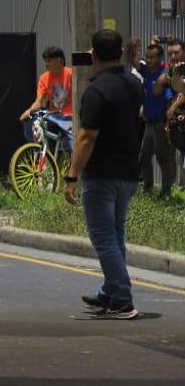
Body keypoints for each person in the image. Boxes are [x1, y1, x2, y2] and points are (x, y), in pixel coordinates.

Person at [63, 29, 143, 319]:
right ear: (121, 52)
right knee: (115, 233)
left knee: (103, 238)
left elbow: (87, 137)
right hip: (128, 173)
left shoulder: (96, 91)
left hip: (101, 175)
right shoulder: (135, 84)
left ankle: (121, 298)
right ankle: (109, 291)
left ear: (93, 54)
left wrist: (72, 176)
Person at [137, 43, 176, 197]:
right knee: (144, 156)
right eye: (147, 57)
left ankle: (166, 190)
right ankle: (147, 187)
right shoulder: (147, 71)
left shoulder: (163, 76)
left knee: (162, 157)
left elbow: (168, 99)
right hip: (148, 123)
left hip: (160, 123)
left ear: (160, 59)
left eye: (152, 57)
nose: (149, 60)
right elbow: (134, 62)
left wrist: (167, 124)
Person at [19, 46, 74, 153]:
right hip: (54, 117)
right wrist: (29, 111)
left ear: (60, 60)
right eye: (45, 61)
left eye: (49, 61)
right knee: (36, 126)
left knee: (72, 148)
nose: (46, 64)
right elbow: (38, 102)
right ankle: (41, 156)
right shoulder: (44, 78)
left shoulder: (71, 74)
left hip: (70, 118)